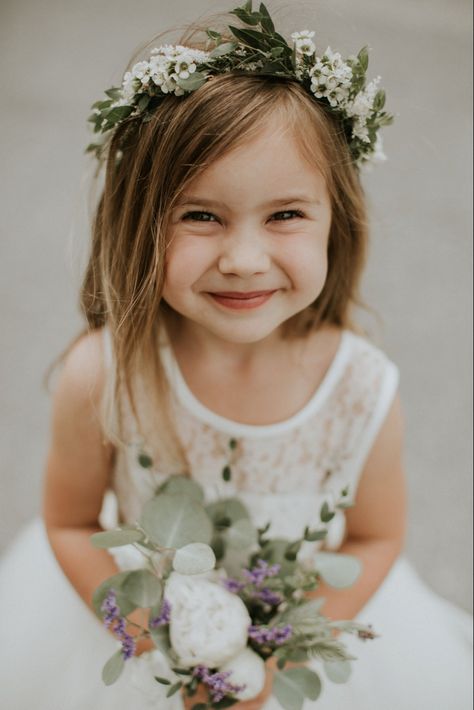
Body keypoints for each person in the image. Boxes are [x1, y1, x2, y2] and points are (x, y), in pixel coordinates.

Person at [0, 3, 471, 709]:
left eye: (285, 215)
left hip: (288, 659)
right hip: (140, 648)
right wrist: (162, 648)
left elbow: (375, 538)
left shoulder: (361, 388)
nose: (244, 259)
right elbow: (69, 523)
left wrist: (269, 661)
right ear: (138, 218)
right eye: (199, 215)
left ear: (334, 221)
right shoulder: (103, 373)